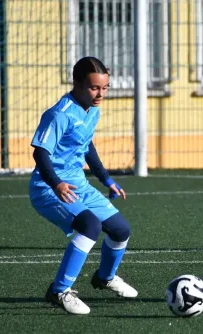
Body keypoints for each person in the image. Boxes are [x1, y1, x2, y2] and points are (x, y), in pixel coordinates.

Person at [29, 56, 138, 315]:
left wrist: (106, 179)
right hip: (48, 188)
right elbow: (40, 154)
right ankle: (59, 291)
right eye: (94, 88)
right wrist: (56, 184)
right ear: (76, 83)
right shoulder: (59, 114)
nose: (100, 94)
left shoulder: (92, 109)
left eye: (105, 87)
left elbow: (86, 145)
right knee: (90, 226)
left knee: (121, 229)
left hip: (79, 185)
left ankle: (104, 277)